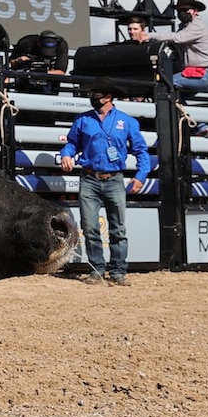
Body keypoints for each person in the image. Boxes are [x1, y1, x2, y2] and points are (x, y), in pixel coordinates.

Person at [57, 88, 152, 286]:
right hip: (89, 178)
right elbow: (72, 143)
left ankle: (118, 270)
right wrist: (67, 154)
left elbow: (141, 150)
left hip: (114, 178)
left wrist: (140, 176)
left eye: (97, 96)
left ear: (109, 97)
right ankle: (97, 269)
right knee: (90, 227)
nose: (93, 99)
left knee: (118, 228)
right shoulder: (83, 120)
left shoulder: (126, 122)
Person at [130, 0, 208, 91]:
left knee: (165, 84)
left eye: (185, 10)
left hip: (205, 73)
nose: (181, 13)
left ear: (195, 11)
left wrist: (149, 36)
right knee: (177, 97)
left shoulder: (198, 26)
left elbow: (178, 38)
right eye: (179, 11)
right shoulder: (185, 28)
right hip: (195, 73)